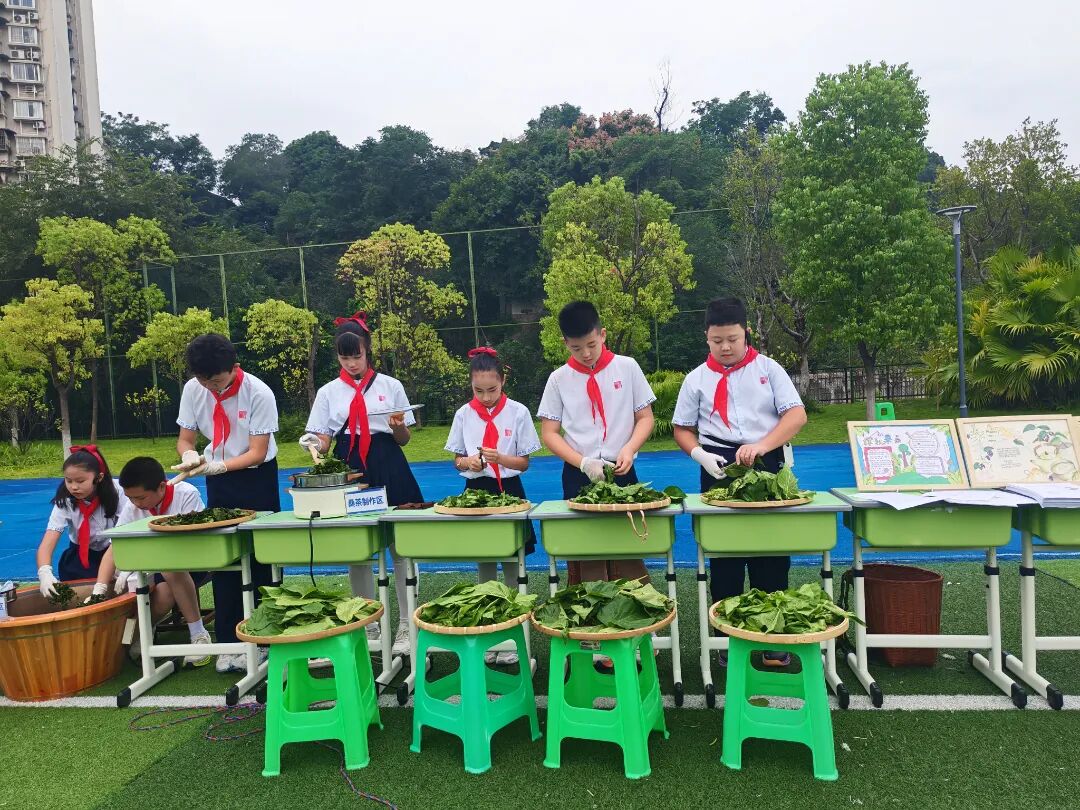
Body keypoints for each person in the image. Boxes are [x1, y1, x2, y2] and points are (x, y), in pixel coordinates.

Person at [672, 297, 807, 666]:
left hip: (767, 461)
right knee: (724, 557)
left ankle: (772, 637)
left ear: (746, 333)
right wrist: (699, 455)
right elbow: (682, 429)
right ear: (706, 337)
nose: (726, 347)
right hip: (717, 466)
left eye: (732, 339)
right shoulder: (696, 379)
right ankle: (726, 639)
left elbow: (796, 415)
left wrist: (762, 445)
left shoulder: (769, 369)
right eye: (717, 341)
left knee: (771, 554)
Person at [299, 312, 423, 657]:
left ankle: (406, 624)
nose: (352, 363)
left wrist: (398, 427)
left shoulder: (390, 386)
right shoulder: (328, 392)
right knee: (357, 548)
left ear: (368, 351)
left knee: (400, 546)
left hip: (388, 462)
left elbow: (404, 439)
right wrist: (313, 442)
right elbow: (324, 440)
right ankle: (367, 623)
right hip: (350, 466)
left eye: (357, 356)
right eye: (345, 357)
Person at [171, 333, 280, 674]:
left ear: (234, 367)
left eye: (216, 381)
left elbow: (257, 452)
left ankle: (265, 639)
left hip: (256, 478)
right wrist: (189, 455)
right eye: (204, 382)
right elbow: (185, 438)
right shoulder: (194, 389)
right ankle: (230, 642)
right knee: (225, 559)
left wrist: (217, 466)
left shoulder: (259, 393)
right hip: (216, 479)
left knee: (262, 559)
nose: (211, 388)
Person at [538, 300, 656, 586]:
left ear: (602, 334)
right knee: (586, 549)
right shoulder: (558, 379)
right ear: (565, 344)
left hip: (622, 470)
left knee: (627, 544)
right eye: (576, 348)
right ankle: (591, 610)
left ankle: (641, 607)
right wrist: (582, 462)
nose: (586, 354)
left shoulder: (627, 367)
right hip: (579, 472)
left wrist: (629, 448)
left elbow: (645, 418)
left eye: (591, 344)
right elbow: (550, 433)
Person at [445, 346, 541, 665]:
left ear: (503, 381)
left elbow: (524, 463)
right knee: (485, 561)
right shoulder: (463, 414)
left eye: (492, 390)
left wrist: (501, 458)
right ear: (471, 385)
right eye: (479, 391)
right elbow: (457, 460)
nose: (486, 397)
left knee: (512, 560)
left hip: (509, 491)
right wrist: (468, 462)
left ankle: (512, 634)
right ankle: (489, 631)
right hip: (476, 492)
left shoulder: (518, 412)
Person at [90, 457, 212, 667]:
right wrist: (99, 589)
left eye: (141, 497)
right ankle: (143, 633)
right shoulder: (132, 506)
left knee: (170, 569)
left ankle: (199, 634)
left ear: (162, 487)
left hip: (194, 559)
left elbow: (190, 541)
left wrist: (145, 565)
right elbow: (115, 546)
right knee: (164, 594)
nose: (136, 504)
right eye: (130, 498)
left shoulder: (187, 494)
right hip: (156, 565)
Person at [36, 445, 129, 597]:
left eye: (80, 481)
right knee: (78, 598)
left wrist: (124, 565)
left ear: (99, 478)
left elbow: (126, 532)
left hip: (116, 551)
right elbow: (48, 541)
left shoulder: (119, 492)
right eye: (68, 480)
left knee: (120, 594)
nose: (74, 487)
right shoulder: (65, 499)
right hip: (80, 557)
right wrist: (44, 572)